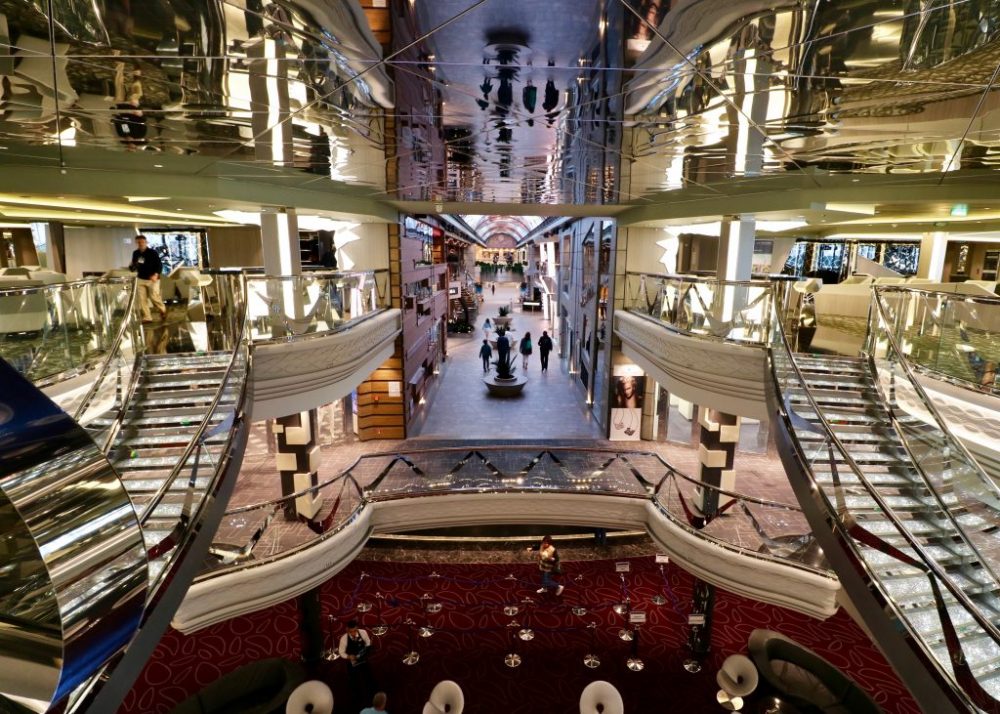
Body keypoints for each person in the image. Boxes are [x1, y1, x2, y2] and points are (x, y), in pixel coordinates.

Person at [129, 235, 166, 323]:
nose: (140, 244)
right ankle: (147, 317)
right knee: (142, 299)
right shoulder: (136, 253)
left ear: (146, 242)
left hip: (153, 279)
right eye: (138, 242)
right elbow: (133, 267)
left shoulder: (152, 252)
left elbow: (159, 265)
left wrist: (156, 274)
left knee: (154, 297)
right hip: (141, 278)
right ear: (136, 243)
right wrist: (133, 265)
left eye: (142, 242)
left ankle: (163, 309)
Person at [338, 619, 375, 707]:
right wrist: (348, 656)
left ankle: (372, 695)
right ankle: (357, 700)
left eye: (355, 631)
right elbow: (341, 652)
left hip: (363, 658)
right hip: (352, 661)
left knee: (369, 677)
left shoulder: (363, 632)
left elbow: (368, 642)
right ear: (347, 630)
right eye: (351, 632)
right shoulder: (343, 639)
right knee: (354, 681)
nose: (353, 633)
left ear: (357, 628)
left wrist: (366, 650)